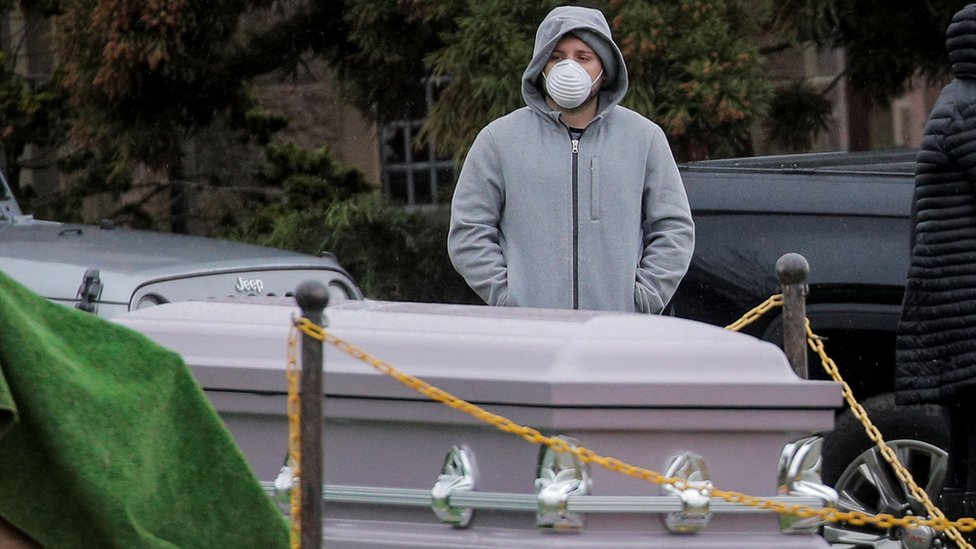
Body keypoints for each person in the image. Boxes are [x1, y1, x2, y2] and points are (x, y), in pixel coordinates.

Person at [447, 5, 694, 314]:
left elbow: (674, 229)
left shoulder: (644, 138)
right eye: (557, 56)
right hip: (533, 339)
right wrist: (509, 299)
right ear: (541, 66)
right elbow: (468, 231)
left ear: (604, 68)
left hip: (618, 336)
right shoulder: (499, 140)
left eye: (583, 57)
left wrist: (641, 300)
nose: (569, 67)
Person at [895, 3, 976, 523]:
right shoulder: (968, 108)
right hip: (967, 302)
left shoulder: (956, 100)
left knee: (966, 447)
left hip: (951, 299)